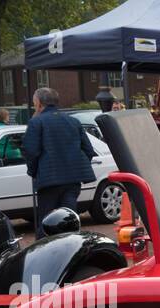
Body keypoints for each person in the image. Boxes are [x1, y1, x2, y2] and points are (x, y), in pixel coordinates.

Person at [22, 87, 96, 237]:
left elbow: (31, 151)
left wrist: (34, 171)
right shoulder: (73, 121)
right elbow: (88, 149)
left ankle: (44, 254)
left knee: (47, 221)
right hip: (72, 180)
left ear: (38, 104)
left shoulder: (36, 122)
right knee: (69, 219)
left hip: (49, 181)